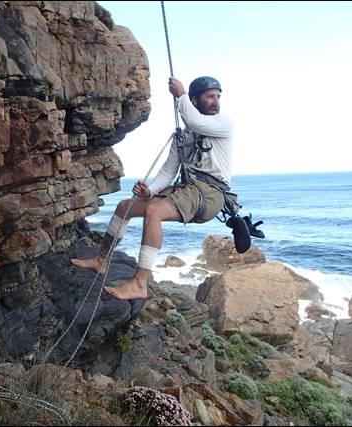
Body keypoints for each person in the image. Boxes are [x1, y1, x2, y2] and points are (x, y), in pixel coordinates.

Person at [71, 76, 233, 300]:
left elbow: (196, 122)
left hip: (209, 194)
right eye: (210, 97)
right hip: (187, 189)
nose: (216, 102)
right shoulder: (183, 137)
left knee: (154, 211)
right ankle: (101, 260)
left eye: (217, 97)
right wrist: (150, 191)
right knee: (125, 207)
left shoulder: (223, 123)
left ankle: (139, 283)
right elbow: (168, 171)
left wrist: (181, 95)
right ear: (195, 101)